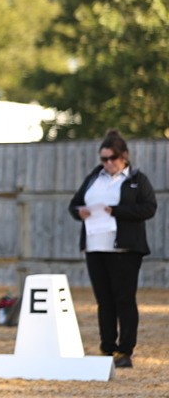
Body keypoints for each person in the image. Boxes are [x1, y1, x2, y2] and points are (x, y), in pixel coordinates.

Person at [67, 129, 157, 368]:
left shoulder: (137, 180)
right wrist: (80, 212)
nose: (108, 163)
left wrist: (116, 211)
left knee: (124, 299)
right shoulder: (94, 178)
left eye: (112, 158)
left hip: (125, 248)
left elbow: (149, 209)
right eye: (104, 159)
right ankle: (107, 348)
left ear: (124, 156)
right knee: (104, 300)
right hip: (96, 246)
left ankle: (125, 350)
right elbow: (74, 204)